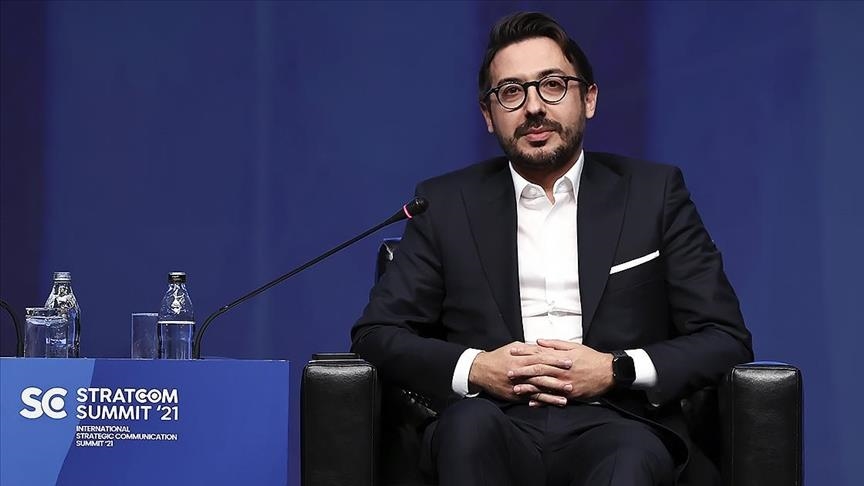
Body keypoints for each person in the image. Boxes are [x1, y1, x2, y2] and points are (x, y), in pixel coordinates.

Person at [351, 11, 752, 486]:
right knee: (467, 431)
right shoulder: (445, 203)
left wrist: (616, 369)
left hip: (619, 420)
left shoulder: (654, 193)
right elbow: (376, 334)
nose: (534, 107)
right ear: (488, 115)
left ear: (589, 99)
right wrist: (478, 367)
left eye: (553, 85)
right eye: (511, 92)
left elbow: (725, 337)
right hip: (491, 418)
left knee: (630, 459)